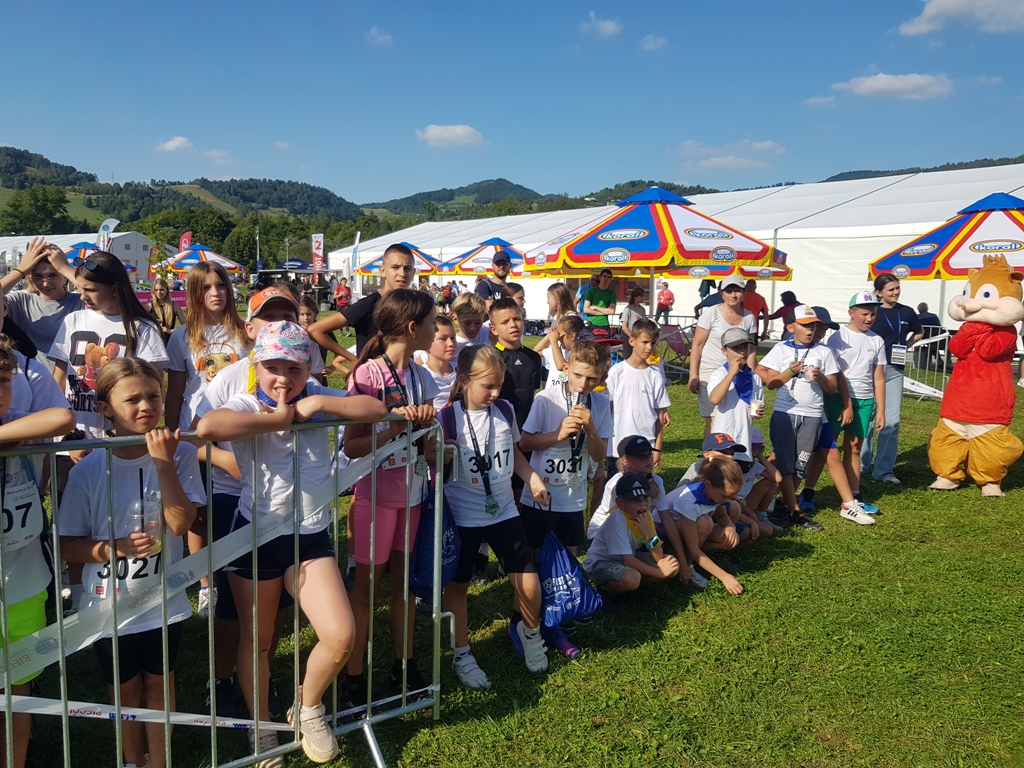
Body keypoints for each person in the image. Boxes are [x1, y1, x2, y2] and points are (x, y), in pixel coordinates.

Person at [198, 322, 386, 765]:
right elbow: (208, 426)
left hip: (311, 536)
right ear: (257, 367)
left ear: (308, 369)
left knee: (340, 635)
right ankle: (262, 728)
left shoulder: (317, 395)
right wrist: (275, 420)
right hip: (256, 539)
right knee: (258, 642)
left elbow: (376, 408)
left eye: (294, 369)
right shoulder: (247, 402)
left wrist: (317, 402)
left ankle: (308, 705)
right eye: (273, 368)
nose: (282, 378)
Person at [61, 358, 204, 768]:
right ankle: (131, 759)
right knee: (124, 691)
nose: (146, 406)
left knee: (160, 685)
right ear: (105, 408)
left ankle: (158, 761)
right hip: (109, 606)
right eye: (133, 399)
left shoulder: (180, 455)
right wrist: (116, 548)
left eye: (154, 397)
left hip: (163, 603)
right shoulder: (88, 470)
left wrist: (162, 463)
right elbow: (68, 545)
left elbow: (181, 523)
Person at [192, 283, 305, 720]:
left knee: (276, 603)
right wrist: (231, 463)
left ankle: (261, 675)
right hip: (232, 496)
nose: (279, 324)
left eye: (287, 317)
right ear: (251, 327)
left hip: (283, 504)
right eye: (269, 317)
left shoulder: (301, 375)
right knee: (229, 605)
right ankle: (220, 681)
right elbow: (196, 437)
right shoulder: (230, 377)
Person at [342, 289, 440, 705]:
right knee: (367, 589)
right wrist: (395, 428)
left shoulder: (422, 376)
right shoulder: (366, 376)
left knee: (404, 587)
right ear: (413, 328)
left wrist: (432, 431)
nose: (437, 329)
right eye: (433, 323)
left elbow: (430, 443)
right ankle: (353, 676)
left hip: (413, 495)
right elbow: (352, 446)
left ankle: (405, 665)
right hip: (374, 497)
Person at [440, 345, 551, 690]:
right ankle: (462, 654)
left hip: (504, 511)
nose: (495, 392)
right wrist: (441, 454)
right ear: (464, 381)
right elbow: (434, 466)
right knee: (458, 586)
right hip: (463, 516)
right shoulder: (447, 418)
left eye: (499, 385)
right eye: (487, 385)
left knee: (529, 583)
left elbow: (514, 452)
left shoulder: (504, 409)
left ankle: (530, 632)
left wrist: (532, 479)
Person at [0, 336, 75, 768]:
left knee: (19, 688)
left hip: (25, 584)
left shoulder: (19, 423)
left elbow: (63, 416)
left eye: (3, 381)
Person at [165, 262, 251, 618]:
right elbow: (175, 392)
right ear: (194, 294)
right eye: (206, 287)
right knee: (198, 515)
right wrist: (173, 436)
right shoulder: (181, 337)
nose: (216, 293)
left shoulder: (245, 333)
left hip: (235, 432)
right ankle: (205, 585)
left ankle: (238, 573)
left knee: (234, 504)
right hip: (193, 436)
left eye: (221, 285)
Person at [519, 340, 612, 657]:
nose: (584, 384)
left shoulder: (600, 404)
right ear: (566, 368)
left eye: (592, 378)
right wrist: (558, 435)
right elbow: (525, 442)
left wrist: (592, 430)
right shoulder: (546, 399)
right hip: (540, 496)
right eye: (578, 375)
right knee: (534, 563)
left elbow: (599, 455)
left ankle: (557, 619)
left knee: (566, 562)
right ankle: (527, 620)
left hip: (573, 498)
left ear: (602, 376)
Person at [755, 305, 839, 532]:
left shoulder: (824, 351)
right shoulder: (781, 349)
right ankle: (794, 510)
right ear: (791, 327)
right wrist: (789, 372)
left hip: (812, 414)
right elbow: (767, 378)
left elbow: (832, 388)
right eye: (805, 325)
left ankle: (782, 504)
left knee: (801, 465)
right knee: (785, 464)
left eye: (813, 326)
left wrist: (820, 377)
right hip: (785, 412)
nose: (810, 330)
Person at [824, 292, 887, 522]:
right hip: (838, 399)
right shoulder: (837, 338)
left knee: (854, 447)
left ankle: (854, 495)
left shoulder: (877, 340)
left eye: (873, 314)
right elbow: (834, 373)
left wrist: (881, 410)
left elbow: (878, 377)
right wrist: (845, 403)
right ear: (851, 313)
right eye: (864, 314)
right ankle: (808, 490)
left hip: (865, 400)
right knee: (827, 445)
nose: (869, 318)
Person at [861, 273, 923, 485]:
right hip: (871, 371)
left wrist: (906, 346)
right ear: (878, 293)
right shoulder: (871, 313)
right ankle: (862, 465)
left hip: (895, 371)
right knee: (868, 418)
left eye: (897, 288)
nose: (896, 292)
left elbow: (919, 331)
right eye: (891, 290)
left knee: (892, 420)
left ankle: (883, 471)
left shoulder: (906, 312)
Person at [308, 243, 416, 359]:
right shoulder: (369, 304)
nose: (402, 274)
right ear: (383, 271)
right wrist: (352, 359)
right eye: (395, 267)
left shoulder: (415, 306)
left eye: (407, 268)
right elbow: (315, 330)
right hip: (372, 370)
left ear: (414, 273)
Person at [582, 471, 680, 594]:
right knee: (631, 578)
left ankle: (635, 583)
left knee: (672, 564)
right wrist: (660, 573)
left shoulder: (645, 515)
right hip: (601, 563)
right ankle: (603, 590)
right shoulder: (617, 520)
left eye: (646, 498)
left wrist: (649, 533)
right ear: (620, 503)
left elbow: (658, 556)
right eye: (635, 499)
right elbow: (628, 560)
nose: (642, 503)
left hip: (628, 559)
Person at [687, 274, 757, 436]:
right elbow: (697, 345)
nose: (733, 295)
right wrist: (693, 375)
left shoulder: (749, 317)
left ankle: (734, 449)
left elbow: (751, 349)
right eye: (729, 291)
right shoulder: (711, 313)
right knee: (713, 418)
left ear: (744, 293)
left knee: (735, 415)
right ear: (722, 293)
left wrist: (751, 374)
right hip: (710, 369)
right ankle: (712, 450)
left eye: (737, 291)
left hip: (738, 371)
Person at [1, 237, 82, 371]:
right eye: (38, 276)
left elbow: (102, 293)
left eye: (52, 275)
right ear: (30, 277)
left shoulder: (80, 301)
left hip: (72, 378)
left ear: (64, 276)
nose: (45, 283)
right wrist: (21, 270)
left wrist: (65, 268)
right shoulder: (20, 301)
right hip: (31, 378)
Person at [666, 459, 745, 595]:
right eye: (726, 495)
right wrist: (725, 577)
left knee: (729, 540)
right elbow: (693, 549)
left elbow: (721, 515)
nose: (729, 500)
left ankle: (694, 560)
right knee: (705, 523)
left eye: (732, 495)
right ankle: (688, 566)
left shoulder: (714, 493)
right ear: (708, 485)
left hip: (690, 529)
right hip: (664, 534)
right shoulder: (688, 501)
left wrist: (730, 526)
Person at [605, 318, 670, 471]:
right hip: (618, 444)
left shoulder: (655, 376)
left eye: (653, 343)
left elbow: (659, 416)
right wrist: (605, 442)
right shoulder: (616, 372)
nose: (649, 347)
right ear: (632, 341)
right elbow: (607, 410)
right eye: (645, 342)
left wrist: (657, 449)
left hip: (645, 445)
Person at [707, 326, 765, 466]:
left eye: (745, 347)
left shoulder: (755, 378)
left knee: (741, 475)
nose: (742, 351)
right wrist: (732, 373)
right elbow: (714, 399)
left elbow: (756, 408)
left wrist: (758, 413)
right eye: (736, 348)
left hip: (744, 440)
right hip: (723, 441)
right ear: (724, 351)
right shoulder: (720, 374)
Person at [490, 297, 543, 431]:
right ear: (494, 329)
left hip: (528, 427)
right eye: (505, 322)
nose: (513, 325)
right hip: (499, 427)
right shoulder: (490, 358)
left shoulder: (534, 357)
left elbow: (532, 392)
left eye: (517, 319)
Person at [422, 315, 458, 409]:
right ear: (427, 342)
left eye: (453, 338)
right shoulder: (421, 375)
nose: (450, 343)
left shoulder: (461, 369)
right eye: (443, 339)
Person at [540, 314, 584, 389]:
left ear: (572, 336)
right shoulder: (558, 349)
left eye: (561, 335)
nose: (558, 338)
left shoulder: (581, 353)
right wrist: (550, 335)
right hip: (552, 393)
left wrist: (553, 341)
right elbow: (536, 351)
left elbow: (561, 366)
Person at [144, 278, 186, 343]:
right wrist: (152, 322)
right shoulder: (148, 306)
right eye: (156, 290)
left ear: (167, 290)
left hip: (170, 342)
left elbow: (186, 327)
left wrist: (170, 331)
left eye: (161, 290)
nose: (159, 292)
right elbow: (141, 326)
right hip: (153, 342)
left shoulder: (175, 306)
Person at [583, 269, 618, 341]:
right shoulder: (591, 291)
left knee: (604, 346)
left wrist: (596, 307)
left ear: (610, 280)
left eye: (608, 277)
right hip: (592, 324)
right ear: (600, 277)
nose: (606, 279)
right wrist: (604, 312)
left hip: (604, 324)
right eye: (604, 276)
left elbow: (611, 311)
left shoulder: (612, 294)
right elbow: (586, 309)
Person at [619, 286, 647, 360]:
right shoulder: (627, 309)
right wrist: (632, 336)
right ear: (635, 297)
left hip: (639, 336)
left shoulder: (643, 310)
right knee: (628, 357)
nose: (643, 298)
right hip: (628, 336)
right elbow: (624, 327)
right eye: (641, 296)